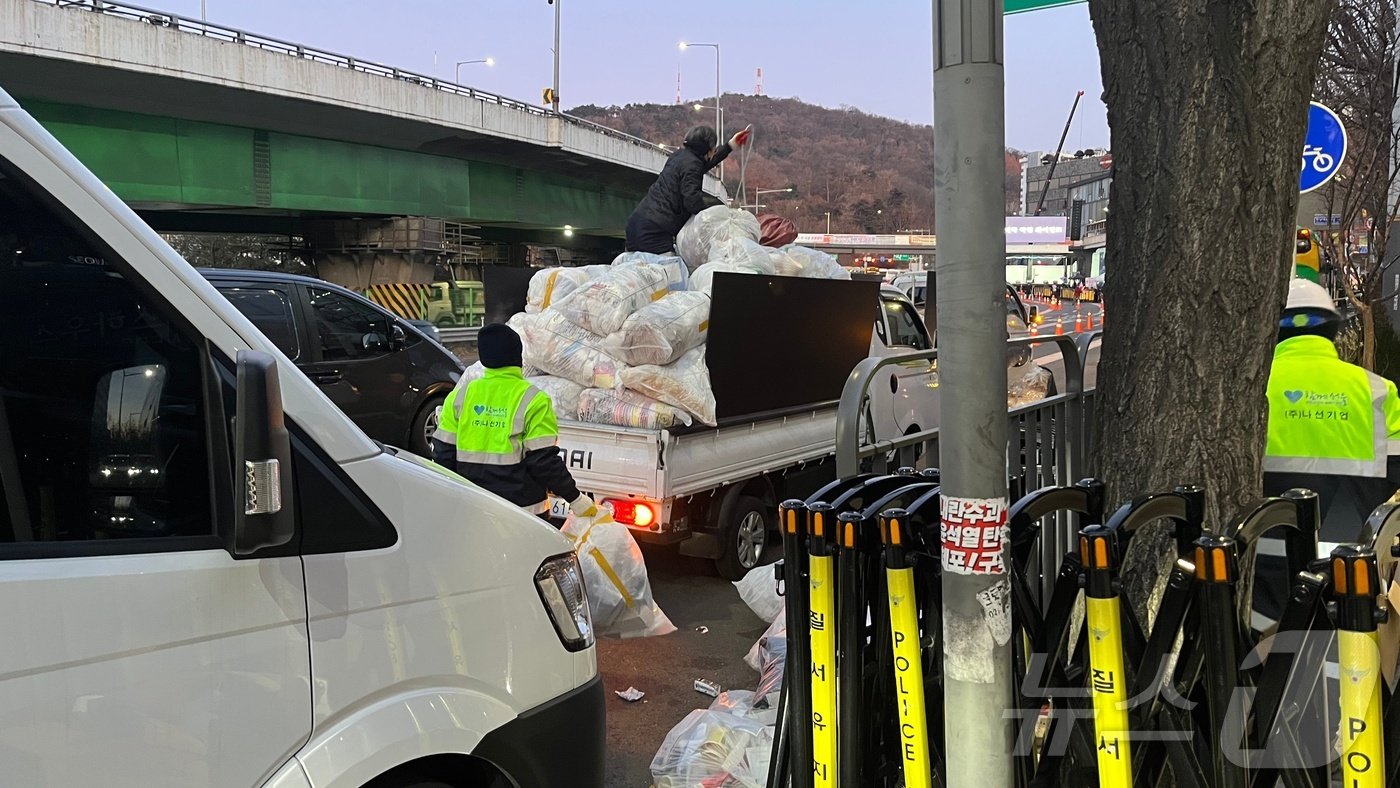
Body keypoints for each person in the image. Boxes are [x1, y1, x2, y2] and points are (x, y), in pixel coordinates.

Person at [1255, 278, 1400, 622]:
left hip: (1263, 576)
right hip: (1350, 579)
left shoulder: (1250, 389)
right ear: (1332, 328)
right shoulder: (1378, 391)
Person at [432, 323, 595, 521]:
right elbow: (543, 460)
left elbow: (443, 455)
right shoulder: (534, 399)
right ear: (517, 356)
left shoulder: (461, 395)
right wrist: (575, 498)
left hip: (473, 510)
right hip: (523, 515)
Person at [625, 124, 752, 254]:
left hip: (638, 223)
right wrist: (718, 214)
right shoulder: (693, 165)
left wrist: (730, 145)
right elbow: (692, 201)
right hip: (655, 231)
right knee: (667, 271)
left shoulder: (680, 156)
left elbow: (706, 162)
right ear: (706, 149)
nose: (714, 151)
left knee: (635, 270)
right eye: (713, 148)